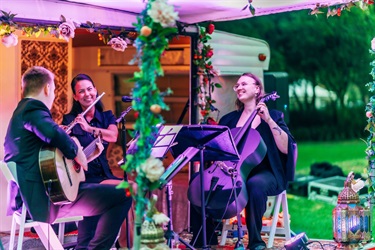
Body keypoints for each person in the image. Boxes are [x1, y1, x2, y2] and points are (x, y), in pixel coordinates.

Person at [4, 66, 132, 250]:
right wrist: (77, 152)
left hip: (33, 196)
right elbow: (53, 133)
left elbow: (47, 145)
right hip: (43, 199)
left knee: (97, 193)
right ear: (47, 88)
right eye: (54, 89)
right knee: (124, 195)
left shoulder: (21, 110)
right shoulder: (33, 108)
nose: (54, 94)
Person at [189, 72, 297, 250]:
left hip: (266, 171)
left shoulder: (274, 116)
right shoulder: (228, 119)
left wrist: (268, 120)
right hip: (232, 169)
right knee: (200, 181)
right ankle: (205, 236)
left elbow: (286, 147)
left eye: (244, 84)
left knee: (255, 184)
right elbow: (219, 150)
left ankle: (255, 242)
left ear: (257, 89)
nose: (239, 87)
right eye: (237, 85)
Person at [62, 73, 133, 249]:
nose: (87, 94)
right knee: (129, 190)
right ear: (75, 96)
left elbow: (113, 135)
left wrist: (90, 128)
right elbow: (63, 151)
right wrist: (62, 134)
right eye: (81, 91)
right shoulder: (70, 120)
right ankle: (118, 244)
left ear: (95, 90)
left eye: (89, 89)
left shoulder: (107, 116)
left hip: (103, 175)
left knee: (132, 190)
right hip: (83, 178)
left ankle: (124, 242)